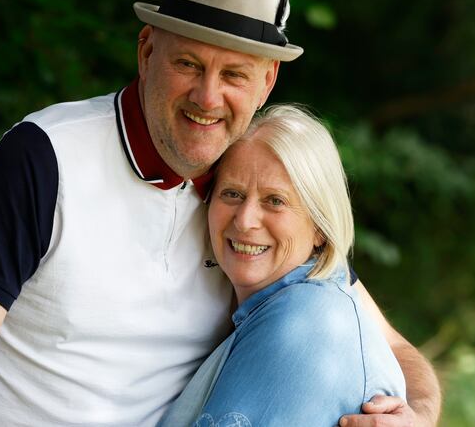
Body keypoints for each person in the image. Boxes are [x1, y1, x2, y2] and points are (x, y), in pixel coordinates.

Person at [0, 0, 440, 426]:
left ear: (267, 82)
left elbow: (391, 347)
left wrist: (415, 415)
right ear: (147, 49)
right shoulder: (44, 158)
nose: (208, 96)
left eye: (234, 75)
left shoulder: (249, 197)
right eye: (188, 64)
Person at [159, 104, 406, 426]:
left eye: (275, 201)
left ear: (320, 226)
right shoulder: (313, 292)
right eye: (232, 193)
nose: (245, 220)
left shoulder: (306, 323)